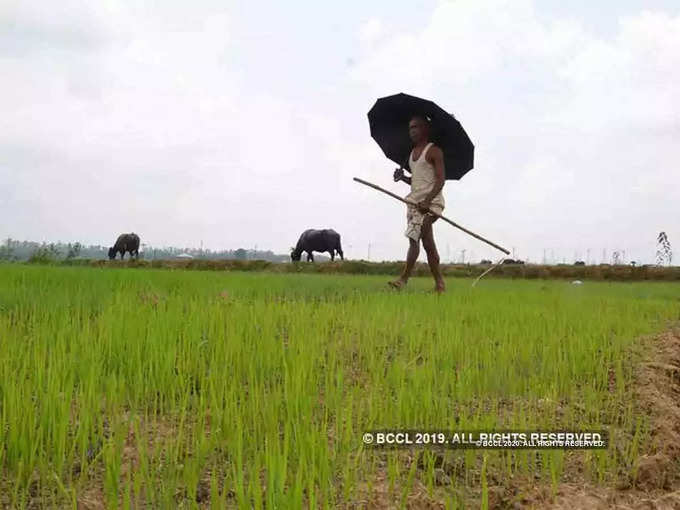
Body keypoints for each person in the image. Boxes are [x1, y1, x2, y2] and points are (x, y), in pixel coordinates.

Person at [389, 115, 446, 293]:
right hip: (414, 204)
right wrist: (403, 178)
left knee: (414, 239)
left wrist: (428, 201)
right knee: (428, 244)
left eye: (416, 127)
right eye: (410, 128)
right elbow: (418, 182)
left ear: (426, 129)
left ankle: (403, 280)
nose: (412, 131)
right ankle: (440, 285)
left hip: (430, 205)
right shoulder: (411, 155)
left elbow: (440, 180)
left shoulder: (434, 151)